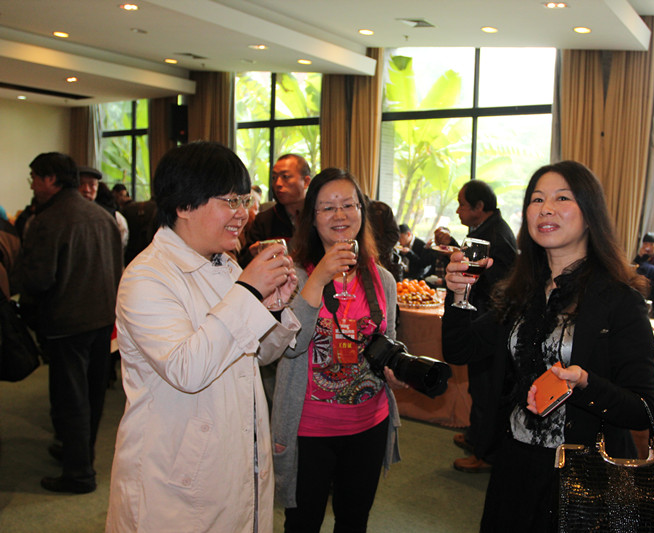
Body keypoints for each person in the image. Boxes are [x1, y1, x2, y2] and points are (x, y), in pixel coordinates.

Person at [441, 160, 654, 531]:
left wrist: (584, 382)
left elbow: (642, 410)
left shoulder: (619, 300)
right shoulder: (521, 291)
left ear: (590, 214)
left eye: (562, 198)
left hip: (584, 472)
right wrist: (458, 296)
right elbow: (460, 350)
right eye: (537, 199)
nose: (546, 209)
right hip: (515, 462)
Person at [106, 142, 300, 532]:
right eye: (230, 201)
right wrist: (248, 293)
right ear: (183, 205)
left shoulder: (225, 265)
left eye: (244, 200)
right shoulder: (147, 277)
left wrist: (274, 310)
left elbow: (257, 355)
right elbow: (187, 369)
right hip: (176, 469)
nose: (242, 213)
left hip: (233, 448)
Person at [271, 167, 406, 533]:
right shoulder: (291, 276)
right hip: (310, 429)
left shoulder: (383, 279)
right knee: (302, 523)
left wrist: (396, 369)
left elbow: (389, 341)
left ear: (362, 211)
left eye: (348, 205)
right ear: (311, 218)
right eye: (327, 207)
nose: (340, 215)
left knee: (354, 521)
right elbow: (290, 347)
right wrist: (319, 276)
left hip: (369, 424)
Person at [16, 152, 123, 494]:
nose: (32, 185)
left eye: (35, 178)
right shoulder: (103, 216)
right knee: (92, 394)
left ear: (50, 179)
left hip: (66, 321)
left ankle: (78, 473)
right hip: (102, 319)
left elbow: (38, 280)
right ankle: (79, 453)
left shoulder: (48, 220)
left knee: (70, 397)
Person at [451, 179, 518, 474]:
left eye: (462, 205)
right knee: (479, 388)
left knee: (489, 391)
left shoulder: (496, 236)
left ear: (479, 207)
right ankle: (476, 437)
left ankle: (486, 453)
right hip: (482, 320)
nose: (458, 210)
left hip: (492, 324)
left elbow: (500, 287)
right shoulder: (485, 230)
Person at [241, 153, 312, 266]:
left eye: (285, 177)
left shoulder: (318, 216)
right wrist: (252, 254)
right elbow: (243, 263)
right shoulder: (264, 220)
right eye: (274, 178)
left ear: (306, 182)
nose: (278, 184)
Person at [366, 199, 403, 281]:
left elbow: (394, 235)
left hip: (381, 262)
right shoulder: (346, 211)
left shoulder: (380, 209)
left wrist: (373, 248)